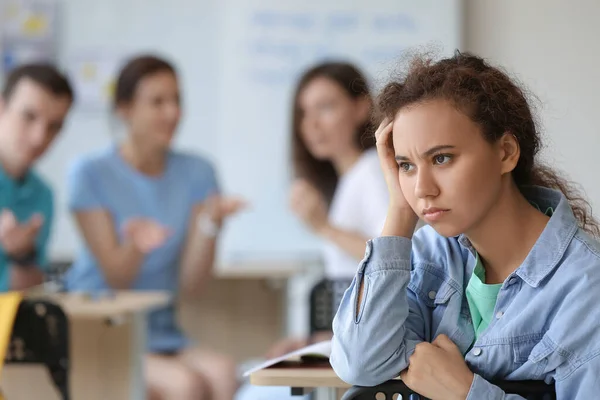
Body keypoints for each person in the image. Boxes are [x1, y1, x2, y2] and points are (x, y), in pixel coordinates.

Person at [330, 50, 600, 399]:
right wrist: (399, 210)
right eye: (406, 166)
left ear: (505, 152)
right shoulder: (431, 256)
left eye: (441, 158)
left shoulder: (585, 287)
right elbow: (359, 361)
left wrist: (466, 392)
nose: (423, 190)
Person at [65, 55, 244, 400]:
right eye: (158, 102)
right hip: (102, 330)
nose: (173, 112)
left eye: (177, 100)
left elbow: (192, 286)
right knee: (185, 385)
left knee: (224, 374)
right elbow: (118, 279)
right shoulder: (90, 173)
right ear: (125, 108)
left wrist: (210, 225)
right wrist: (135, 243)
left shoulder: (198, 172)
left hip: (162, 330)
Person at [235, 62, 389, 400]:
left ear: (362, 107)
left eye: (326, 107)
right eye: (304, 113)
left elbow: (391, 256)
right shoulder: (349, 179)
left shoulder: (371, 171)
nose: (312, 125)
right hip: (349, 342)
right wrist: (313, 340)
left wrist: (323, 226)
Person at [0, 63, 73, 291]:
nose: (39, 137)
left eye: (54, 126)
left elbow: (24, 295)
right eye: (29, 116)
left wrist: (22, 255)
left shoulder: (42, 195)